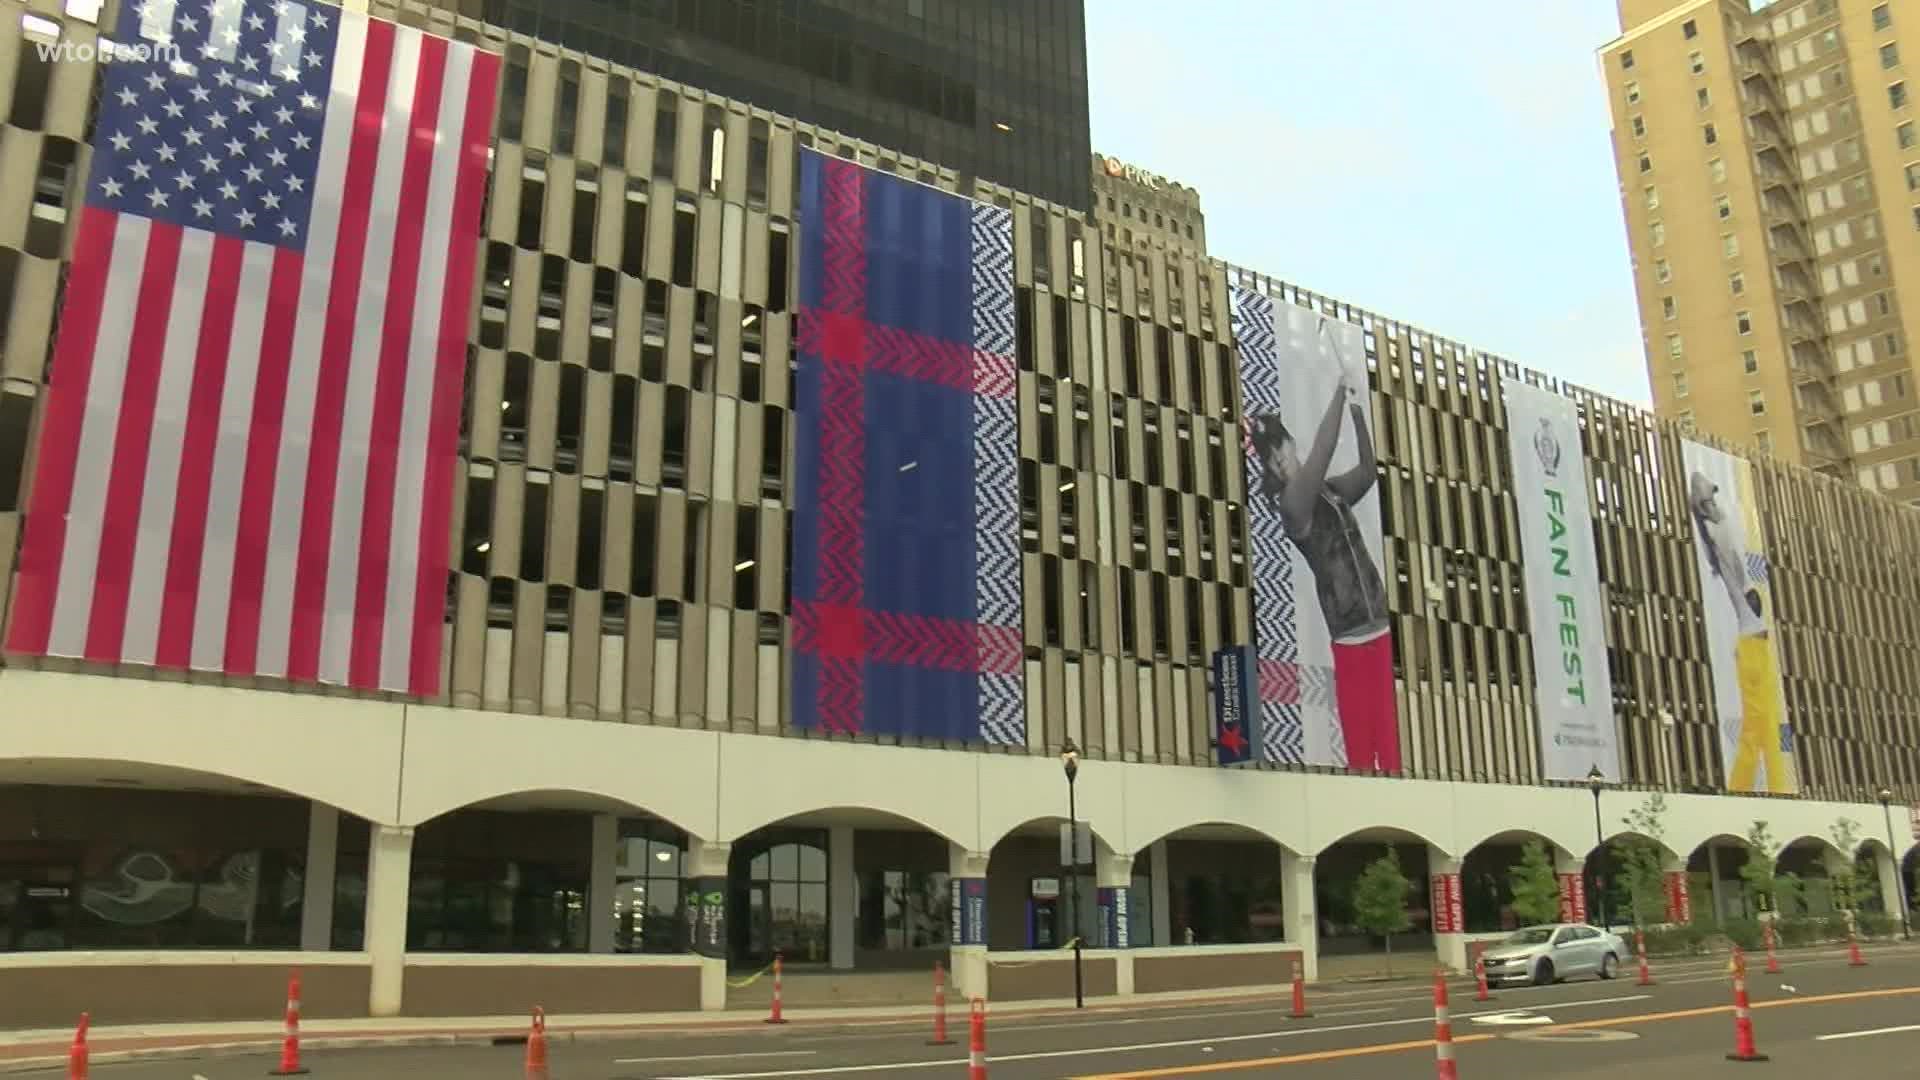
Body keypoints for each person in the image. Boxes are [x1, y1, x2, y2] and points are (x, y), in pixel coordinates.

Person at [1247, 322, 1398, 772]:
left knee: (1388, 739)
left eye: (1283, 448)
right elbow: (1324, 449)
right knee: (1360, 737)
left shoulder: (1329, 492)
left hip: (1378, 621)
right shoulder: (1293, 505)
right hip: (1349, 634)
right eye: (1274, 459)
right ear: (1270, 469)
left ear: (1289, 443)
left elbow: (1369, 472)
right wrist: (1338, 392)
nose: (1284, 459)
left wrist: (1356, 413)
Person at [1687, 471, 1791, 793]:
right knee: (1762, 728)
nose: (1713, 504)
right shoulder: (1721, 552)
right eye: (1707, 501)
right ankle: (1769, 788)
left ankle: (1745, 788)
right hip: (1750, 649)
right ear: (1702, 509)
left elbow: (1728, 527)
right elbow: (1719, 546)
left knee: (1757, 728)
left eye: (1713, 497)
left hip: (1755, 648)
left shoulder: (1727, 528)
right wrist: (1704, 519)